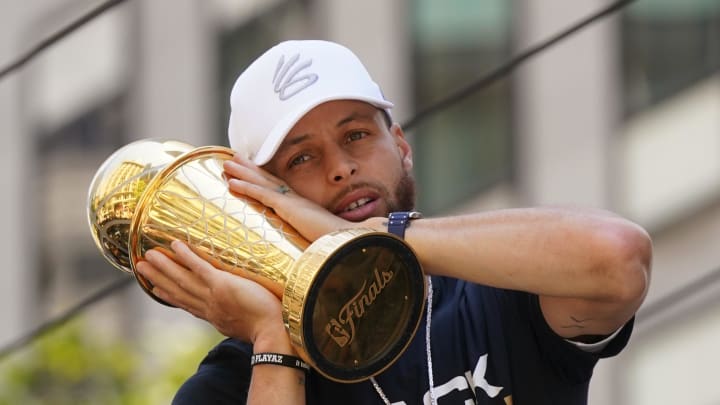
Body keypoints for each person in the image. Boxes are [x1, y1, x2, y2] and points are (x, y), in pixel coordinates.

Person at [135, 39, 652, 405]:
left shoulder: (494, 286)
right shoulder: (230, 381)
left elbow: (617, 255)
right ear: (262, 203)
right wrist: (273, 339)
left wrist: (367, 240)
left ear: (400, 147)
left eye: (356, 135)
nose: (340, 167)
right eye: (300, 159)